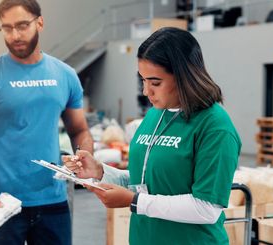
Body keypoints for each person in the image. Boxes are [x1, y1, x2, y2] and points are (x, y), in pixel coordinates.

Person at [63, 27, 241, 245]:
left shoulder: (215, 126)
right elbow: (146, 180)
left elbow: (207, 208)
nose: (147, 92)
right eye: (143, 81)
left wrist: (135, 201)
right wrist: (101, 172)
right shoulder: (155, 116)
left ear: (186, 77)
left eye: (155, 82)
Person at [0, 0, 93, 244]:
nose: (15, 35)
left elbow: (80, 129)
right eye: (7, 28)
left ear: (39, 22)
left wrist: (84, 156)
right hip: (1, 202)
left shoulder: (65, 75)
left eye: (22, 25)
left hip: (53, 201)